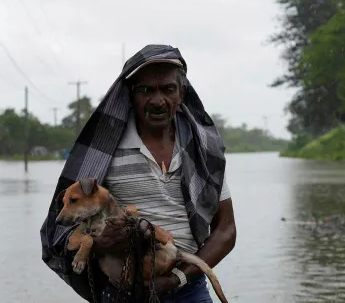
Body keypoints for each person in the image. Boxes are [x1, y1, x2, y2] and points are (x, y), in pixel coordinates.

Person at [40, 44, 237, 303]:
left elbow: (226, 230)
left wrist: (175, 278)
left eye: (168, 89)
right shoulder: (102, 151)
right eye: (146, 90)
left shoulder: (203, 151)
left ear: (182, 94)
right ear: (130, 96)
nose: (157, 100)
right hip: (124, 292)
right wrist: (100, 243)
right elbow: (62, 229)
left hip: (188, 287)